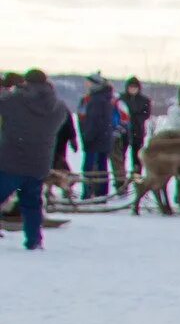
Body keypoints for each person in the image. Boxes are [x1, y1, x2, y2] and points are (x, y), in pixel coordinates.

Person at [0, 69, 73, 249]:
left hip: (11, 160)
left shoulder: (14, 100)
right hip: (39, 163)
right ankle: (34, 241)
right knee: (32, 204)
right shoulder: (57, 106)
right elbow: (62, 118)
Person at [77, 73, 117, 198]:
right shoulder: (104, 98)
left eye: (88, 82)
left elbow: (94, 121)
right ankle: (101, 193)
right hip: (104, 138)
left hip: (95, 139)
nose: (86, 84)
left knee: (90, 167)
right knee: (101, 166)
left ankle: (88, 193)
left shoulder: (96, 100)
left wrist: (88, 137)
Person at [117, 77, 152, 183]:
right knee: (120, 157)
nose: (132, 89)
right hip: (123, 131)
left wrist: (136, 118)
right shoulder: (121, 99)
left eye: (135, 87)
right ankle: (120, 180)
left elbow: (146, 114)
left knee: (137, 158)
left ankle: (137, 180)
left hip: (138, 131)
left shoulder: (144, 100)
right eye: (131, 87)